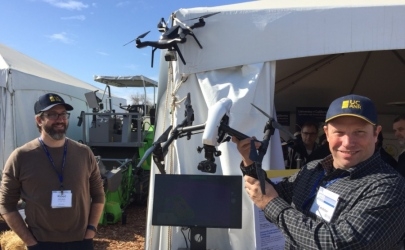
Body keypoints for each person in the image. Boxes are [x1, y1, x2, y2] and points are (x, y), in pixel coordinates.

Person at [233, 94, 405, 249]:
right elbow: (274, 194)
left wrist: (272, 205)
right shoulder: (313, 168)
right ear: (327, 134)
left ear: (376, 134)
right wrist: (251, 162)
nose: (347, 142)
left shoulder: (389, 187)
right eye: (339, 132)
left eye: (359, 132)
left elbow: (340, 244)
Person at [0, 93, 105, 250]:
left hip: (81, 242)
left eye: (63, 114)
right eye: (52, 114)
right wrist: (29, 241)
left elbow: (98, 195)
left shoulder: (84, 153)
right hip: (40, 243)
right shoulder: (21, 156)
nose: (60, 119)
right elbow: (6, 204)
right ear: (39, 120)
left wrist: (91, 230)